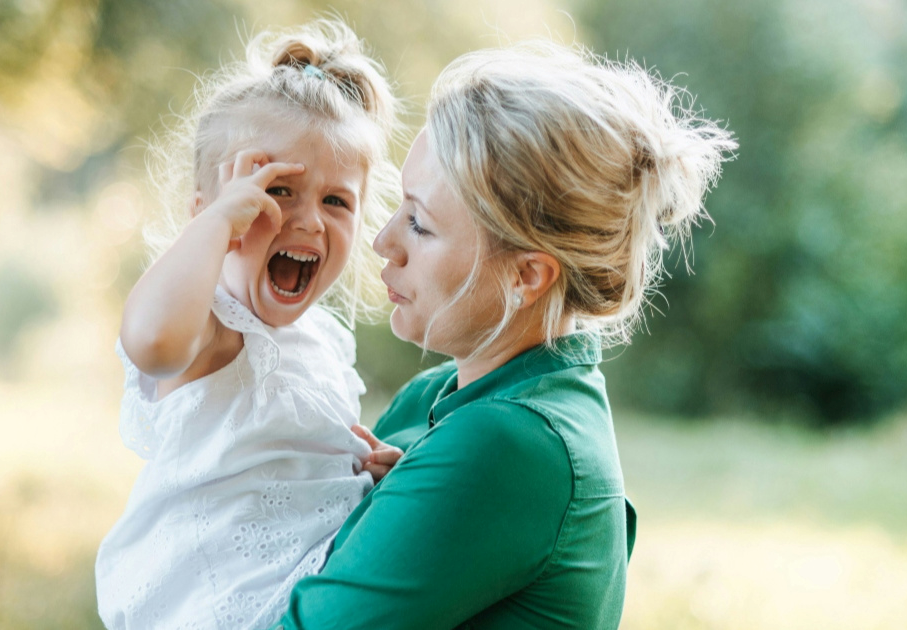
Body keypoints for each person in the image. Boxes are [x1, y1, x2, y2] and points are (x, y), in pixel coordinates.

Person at [279, 41, 736, 629]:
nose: (383, 243)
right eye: (399, 208)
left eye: (419, 224)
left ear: (528, 275)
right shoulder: (440, 395)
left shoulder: (511, 445)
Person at [94, 19, 400, 630]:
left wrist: (365, 473)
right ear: (209, 210)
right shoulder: (208, 327)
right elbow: (151, 344)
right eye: (279, 191)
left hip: (298, 598)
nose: (310, 222)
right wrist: (215, 230)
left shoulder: (321, 345)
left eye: (337, 201)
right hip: (211, 607)